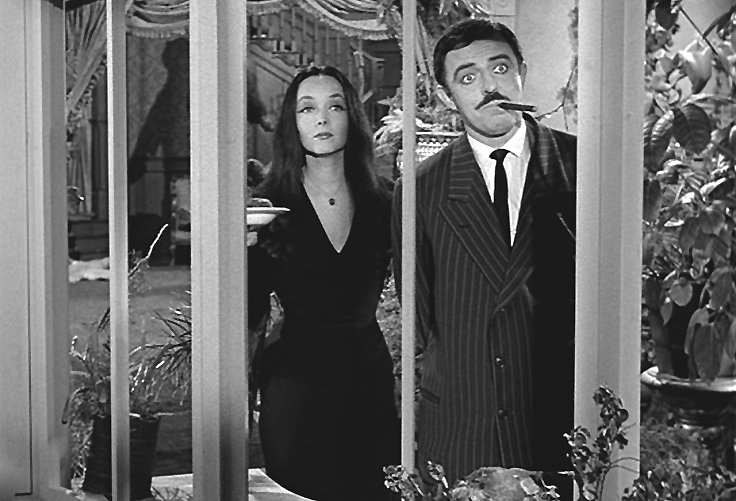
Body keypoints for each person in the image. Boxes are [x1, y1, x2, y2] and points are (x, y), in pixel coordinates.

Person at [391, 19, 577, 493]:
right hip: (464, 423)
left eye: (500, 68)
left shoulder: (580, 167)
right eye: (468, 77)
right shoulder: (421, 189)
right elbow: (419, 316)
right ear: (447, 95)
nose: (489, 87)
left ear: (522, 73)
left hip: (557, 422)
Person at [247, 65, 400, 501]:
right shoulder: (269, 205)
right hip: (296, 381)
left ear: (352, 117)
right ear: (292, 123)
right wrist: (242, 254)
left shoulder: (385, 201)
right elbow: (250, 309)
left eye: (335, 107)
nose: (322, 119)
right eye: (307, 109)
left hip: (367, 378)